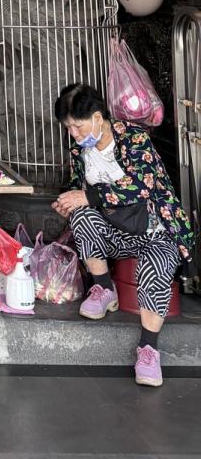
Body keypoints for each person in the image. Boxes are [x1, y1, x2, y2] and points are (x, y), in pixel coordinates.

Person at [52, 82, 195, 388]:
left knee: (156, 266)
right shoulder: (80, 149)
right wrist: (69, 200)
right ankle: (104, 289)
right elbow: (79, 186)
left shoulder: (133, 138)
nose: (73, 134)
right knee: (82, 216)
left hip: (155, 231)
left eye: (77, 126)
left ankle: (148, 349)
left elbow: (141, 186)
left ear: (97, 117)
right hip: (117, 232)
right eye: (68, 128)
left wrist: (88, 196)